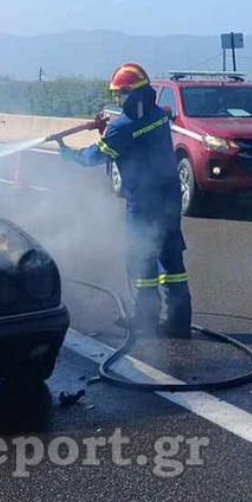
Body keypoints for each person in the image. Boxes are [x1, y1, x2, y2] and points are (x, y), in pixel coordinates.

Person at [55, 62, 193, 337]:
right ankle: (179, 322)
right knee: (171, 259)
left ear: (133, 94)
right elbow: (134, 141)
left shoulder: (122, 128)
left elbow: (96, 156)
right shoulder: (158, 115)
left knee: (141, 259)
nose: (118, 99)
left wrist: (68, 153)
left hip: (143, 201)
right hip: (169, 197)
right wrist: (107, 130)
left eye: (121, 94)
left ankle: (146, 319)